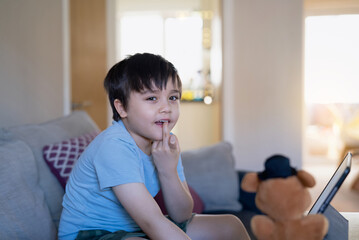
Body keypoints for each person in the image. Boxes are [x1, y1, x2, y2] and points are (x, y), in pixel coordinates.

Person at [58, 53, 250, 240]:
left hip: (135, 228)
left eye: (173, 98)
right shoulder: (113, 146)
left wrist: (169, 170)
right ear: (121, 108)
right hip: (91, 234)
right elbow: (151, 222)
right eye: (152, 98)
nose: (166, 107)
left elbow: (181, 215)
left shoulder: (167, 143)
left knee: (230, 226)